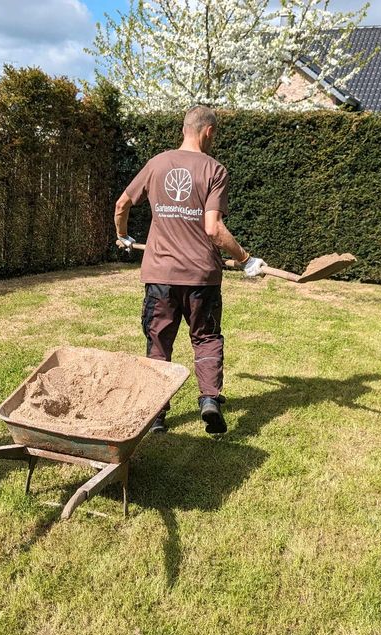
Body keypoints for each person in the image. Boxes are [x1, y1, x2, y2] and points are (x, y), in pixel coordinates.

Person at [113, 105, 263, 435]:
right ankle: (209, 399)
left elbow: (122, 204)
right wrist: (245, 258)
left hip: (160, 276)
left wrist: (122, 236)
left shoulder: (156, 164)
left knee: (158, 342)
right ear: (208, 131)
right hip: (201, 277)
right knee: (206, 338)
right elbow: (213, 229)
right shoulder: (215, 170)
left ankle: (157, 415)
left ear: (184, 129)